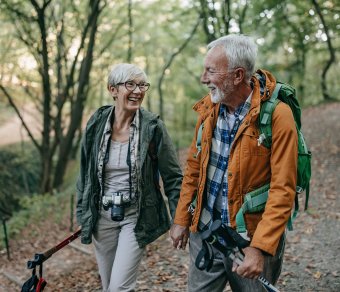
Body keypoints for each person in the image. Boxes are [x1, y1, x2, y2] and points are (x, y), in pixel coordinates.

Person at [170, 34, 298, 291]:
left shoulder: (278, 116)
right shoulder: (209, 108)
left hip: (250, 241)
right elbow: (194, 168)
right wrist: (182, 218)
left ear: (238, 75)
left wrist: (260, 248)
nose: (203, 78)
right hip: (206, 232)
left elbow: (283, 190)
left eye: (211, 71)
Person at [76, 63, 183, 292]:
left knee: (119, 288)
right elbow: (85, 173)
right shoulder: (96, 123)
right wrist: (82, 212)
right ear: (113, 89)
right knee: (109, 286)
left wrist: (179, 220)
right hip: (101, 217)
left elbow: (174, 177)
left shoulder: (153, 127)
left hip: (136, 216)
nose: (138, 91)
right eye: (130, 84)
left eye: (142, 85)